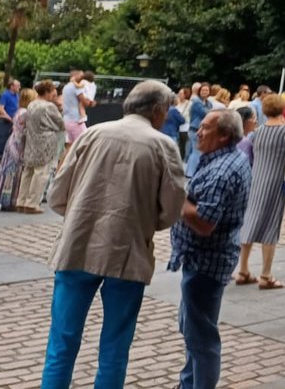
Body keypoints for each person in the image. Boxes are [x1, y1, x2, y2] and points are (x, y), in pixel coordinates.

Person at [42, 82, 186, 389]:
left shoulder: (92, 134)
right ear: (158, 110)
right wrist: (145, 223)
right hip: (128, 251)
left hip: (78, 245)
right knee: (115, 348)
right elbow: (172, 209)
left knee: (62, 344)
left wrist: (81, 214)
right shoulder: (163, 145)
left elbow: (57, 194)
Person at [168, 109, 250, 389]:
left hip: (206, 263)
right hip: (204, 260)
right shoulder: (226, 159)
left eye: (205, 128)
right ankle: (187, 383)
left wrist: (176, 197)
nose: (198, 132)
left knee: (201, 337)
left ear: (224, 136)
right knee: (193, 329)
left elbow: (204, 224)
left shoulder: (222, 170)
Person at [237, 93, 285, 289]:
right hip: (276, 181)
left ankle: (243, 269)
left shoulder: (256, 132)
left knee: (249, 221)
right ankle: (266, 275)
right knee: (271, 224)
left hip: (256, 180)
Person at [19, 81, 65, 214]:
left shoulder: (31, 104)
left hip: (31, 141)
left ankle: (21, 201)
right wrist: (59, 108)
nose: (54, 95)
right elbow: (61, 124)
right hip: (45, 143)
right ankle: (32, 203)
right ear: (48, 92)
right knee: (41, 173)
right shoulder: (49, 106)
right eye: (53, 93)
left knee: (28, 172)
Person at [0, 84, 34, 210]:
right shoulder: (25, 113)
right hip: (18, 144)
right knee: (14, 171)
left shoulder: (19, 111)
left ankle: (5, 198)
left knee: (8, 171)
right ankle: (10, 200)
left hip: (12, 141)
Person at [184, 83, 213, 174]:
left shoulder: (209, 103)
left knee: (195, 151)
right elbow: (206, 113)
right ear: (199, 91)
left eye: (207, 90)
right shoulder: (196, 102)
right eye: (203, 90)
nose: (205, 92)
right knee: (196, 151)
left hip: (202, 129)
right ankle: (191, 173)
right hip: (195, 129)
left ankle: (189, 171)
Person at [0, 78, 21, 163]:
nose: (19, 87)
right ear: (12, 86)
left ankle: (4, 156)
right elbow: (1, 108)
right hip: (5, 120)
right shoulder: (5, 95)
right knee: (1, 138)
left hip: (13, 120)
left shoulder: (17, 96)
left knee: (9, 139)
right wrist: (8, 117)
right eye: (17, 86)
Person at [176, 86, 194, 159]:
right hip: (177, 128)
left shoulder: (189, 104)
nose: (179, 95)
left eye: (181, 94)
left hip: (186, 127)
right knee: (179, 147)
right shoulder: (177, 103)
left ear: (185, 94)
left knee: (185, 146)